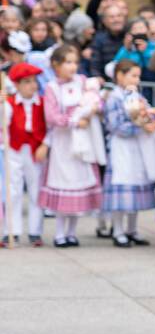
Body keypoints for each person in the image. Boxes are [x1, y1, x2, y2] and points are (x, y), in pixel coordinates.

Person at [38, 44, 104, 247]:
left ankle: (72, 232)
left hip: (82, 141)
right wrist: (75, 121)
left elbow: (97, 101)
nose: (72, 67)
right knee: (63, 181)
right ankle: (59, 233)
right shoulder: (52, 87)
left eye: (75, 62)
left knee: (79, 181)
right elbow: (51, 116)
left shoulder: (83, 82)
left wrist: (92, 110)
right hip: (63, 143)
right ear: (56, 65)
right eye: (68, 62)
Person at [101, 59, 155, 247]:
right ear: (120, 75)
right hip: (121, 145)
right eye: (132, 75)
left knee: (135, 184)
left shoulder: (136, 96)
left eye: (138, 76)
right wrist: (138, 125)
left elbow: (147, 112)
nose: (136, 80)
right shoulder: (114, 97)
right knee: (122, 185)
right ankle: (118, 229)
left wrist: (149, 117)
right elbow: (115, 125)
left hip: (136, 146)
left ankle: (132, 229)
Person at [2, 62, 47, 245]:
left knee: (36, 189)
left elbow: (49, 126)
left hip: (35, 150)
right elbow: (2, 123)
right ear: (18, 85)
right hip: (14, 149)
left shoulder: (42, 102)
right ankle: (11, 231)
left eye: (34, 81)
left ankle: (36, 231)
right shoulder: (10, 103)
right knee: (13, 190)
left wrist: (45, 145)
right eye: (27, 82)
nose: (32, 86)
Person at [89, 2, 129, 79]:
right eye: (112, 17)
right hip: (108, 83)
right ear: (104, 21)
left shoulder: (130, 34)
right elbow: (95, 63)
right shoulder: (99, 39)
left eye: (119, 16)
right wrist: (97, 76)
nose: (116, 19)